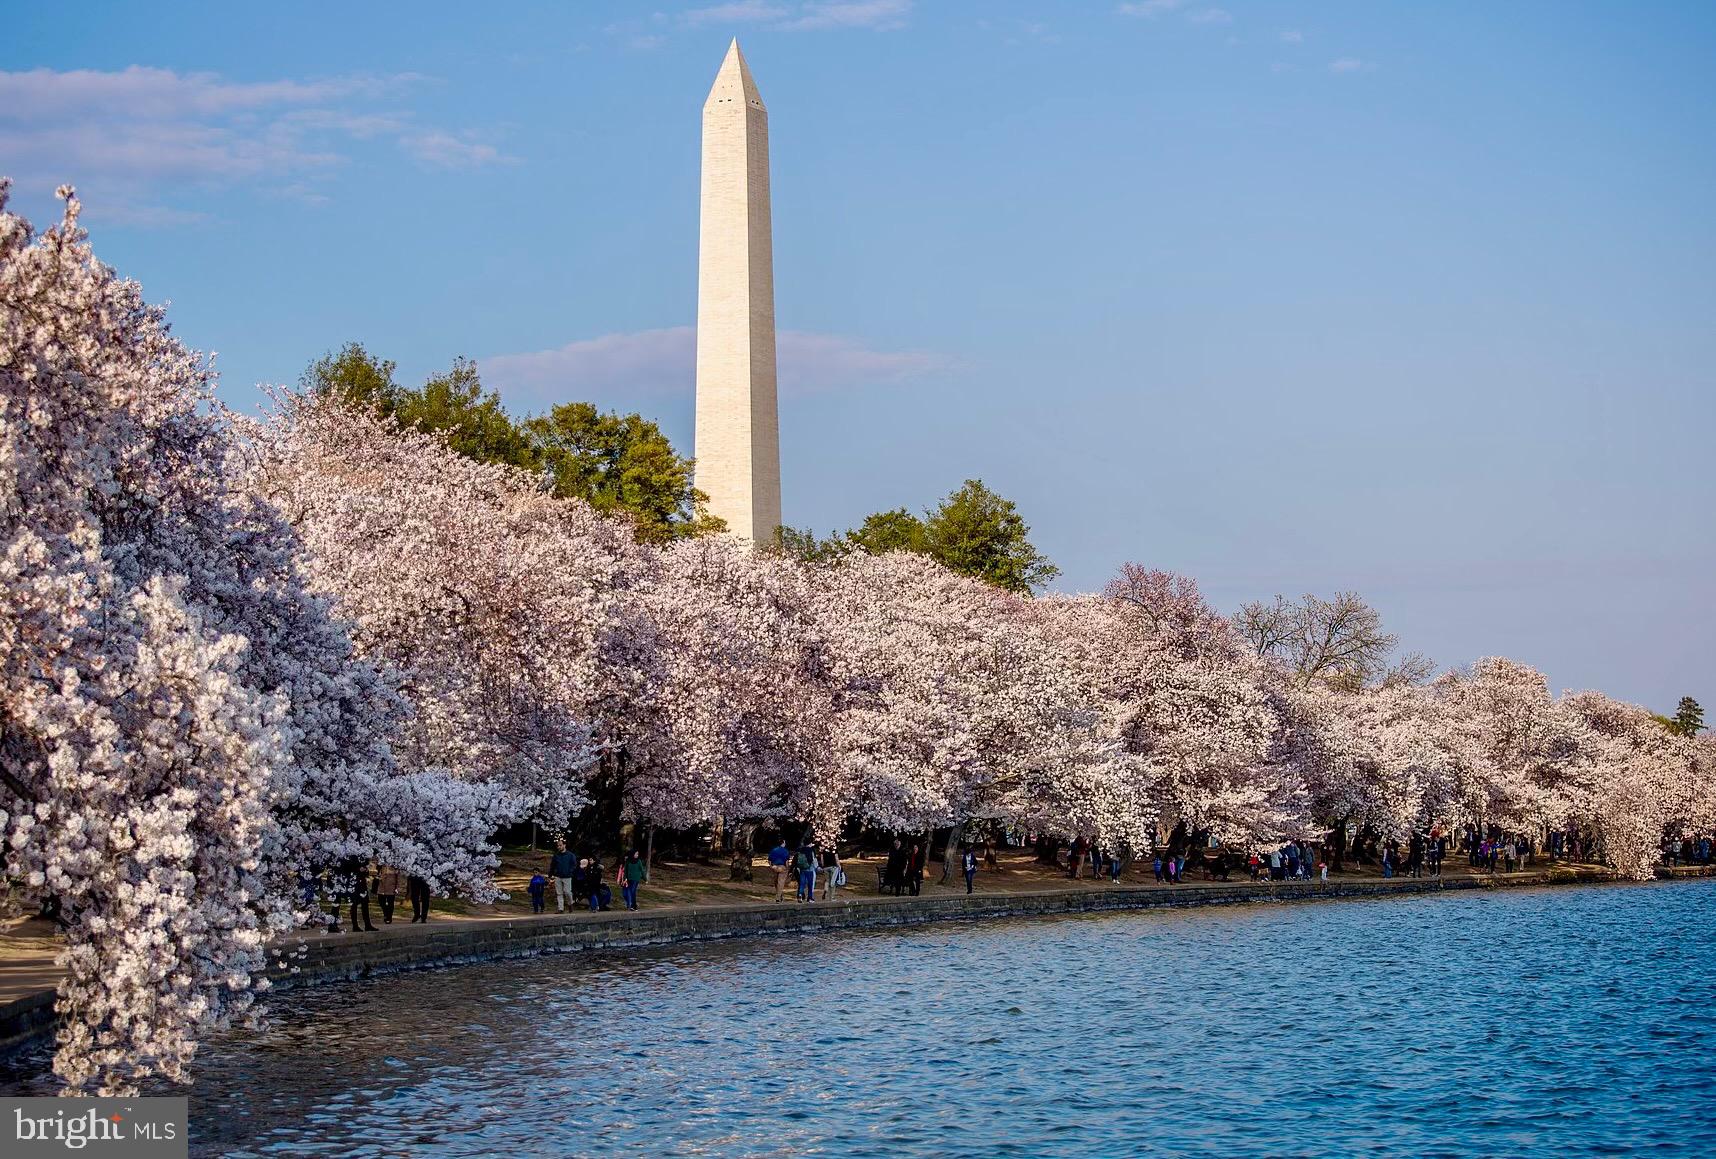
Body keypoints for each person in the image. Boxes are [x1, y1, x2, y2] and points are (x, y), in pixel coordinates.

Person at [347, 860, 377, 933]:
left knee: (365, 904)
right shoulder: (351, 857)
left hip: (362, 883)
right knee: (354, 904)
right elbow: (347, 868)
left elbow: (366, 871)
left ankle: (367, 924)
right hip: (353, 883)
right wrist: (358, 869)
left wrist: (365, 870)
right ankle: (355, 925)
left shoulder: (363, 858)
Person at [548, 841, 578, 914]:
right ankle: (560, 909)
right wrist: (550, 875)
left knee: (567, 892)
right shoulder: (556, 855)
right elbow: (552, 865)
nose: (559, 847)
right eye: (558, 846)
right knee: (559, 893)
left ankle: (570, 904)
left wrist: (569, 871)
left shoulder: (571, 855)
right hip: (558, 876)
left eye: (560, 845)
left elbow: (574, 865)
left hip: (567, 876)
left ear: (564, 845)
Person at [768, 838, 792, 902]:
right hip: (782, 867)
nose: (785, 844)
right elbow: (786, 861)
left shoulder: (774, 850)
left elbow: (769, 859)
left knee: (776, 882)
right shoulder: (785, 851)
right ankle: (778, 897)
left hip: (775, 867)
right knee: (780, 882)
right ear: (782, 843)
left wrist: (771, 866)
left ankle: (779, 894)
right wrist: (787, 868)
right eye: (784, 843)